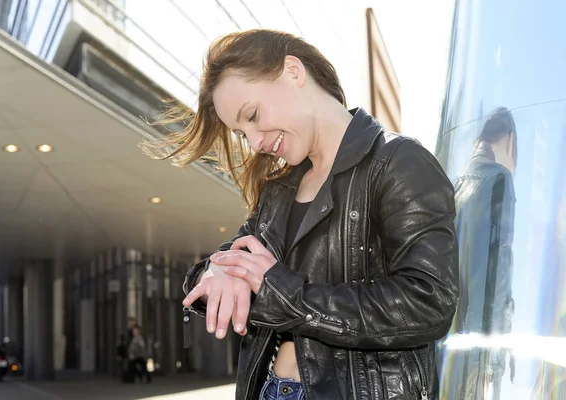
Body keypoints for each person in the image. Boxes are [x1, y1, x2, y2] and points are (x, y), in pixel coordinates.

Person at [144, 29, 458, 400]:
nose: (256, 141)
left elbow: (428, 301)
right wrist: (217, 271)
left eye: (253, 115)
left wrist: (285, 294)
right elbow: (230, 262)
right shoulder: (279, 189)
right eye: (242, 134)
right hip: (270, 390)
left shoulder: (398, 162)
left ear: (293, 71)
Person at [439, 107, 517, 399]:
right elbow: (497, 274)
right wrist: (495, 355)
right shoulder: (498, 180)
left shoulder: (457, 186)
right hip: (478, 350)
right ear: (510, 141)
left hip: (449, 348)